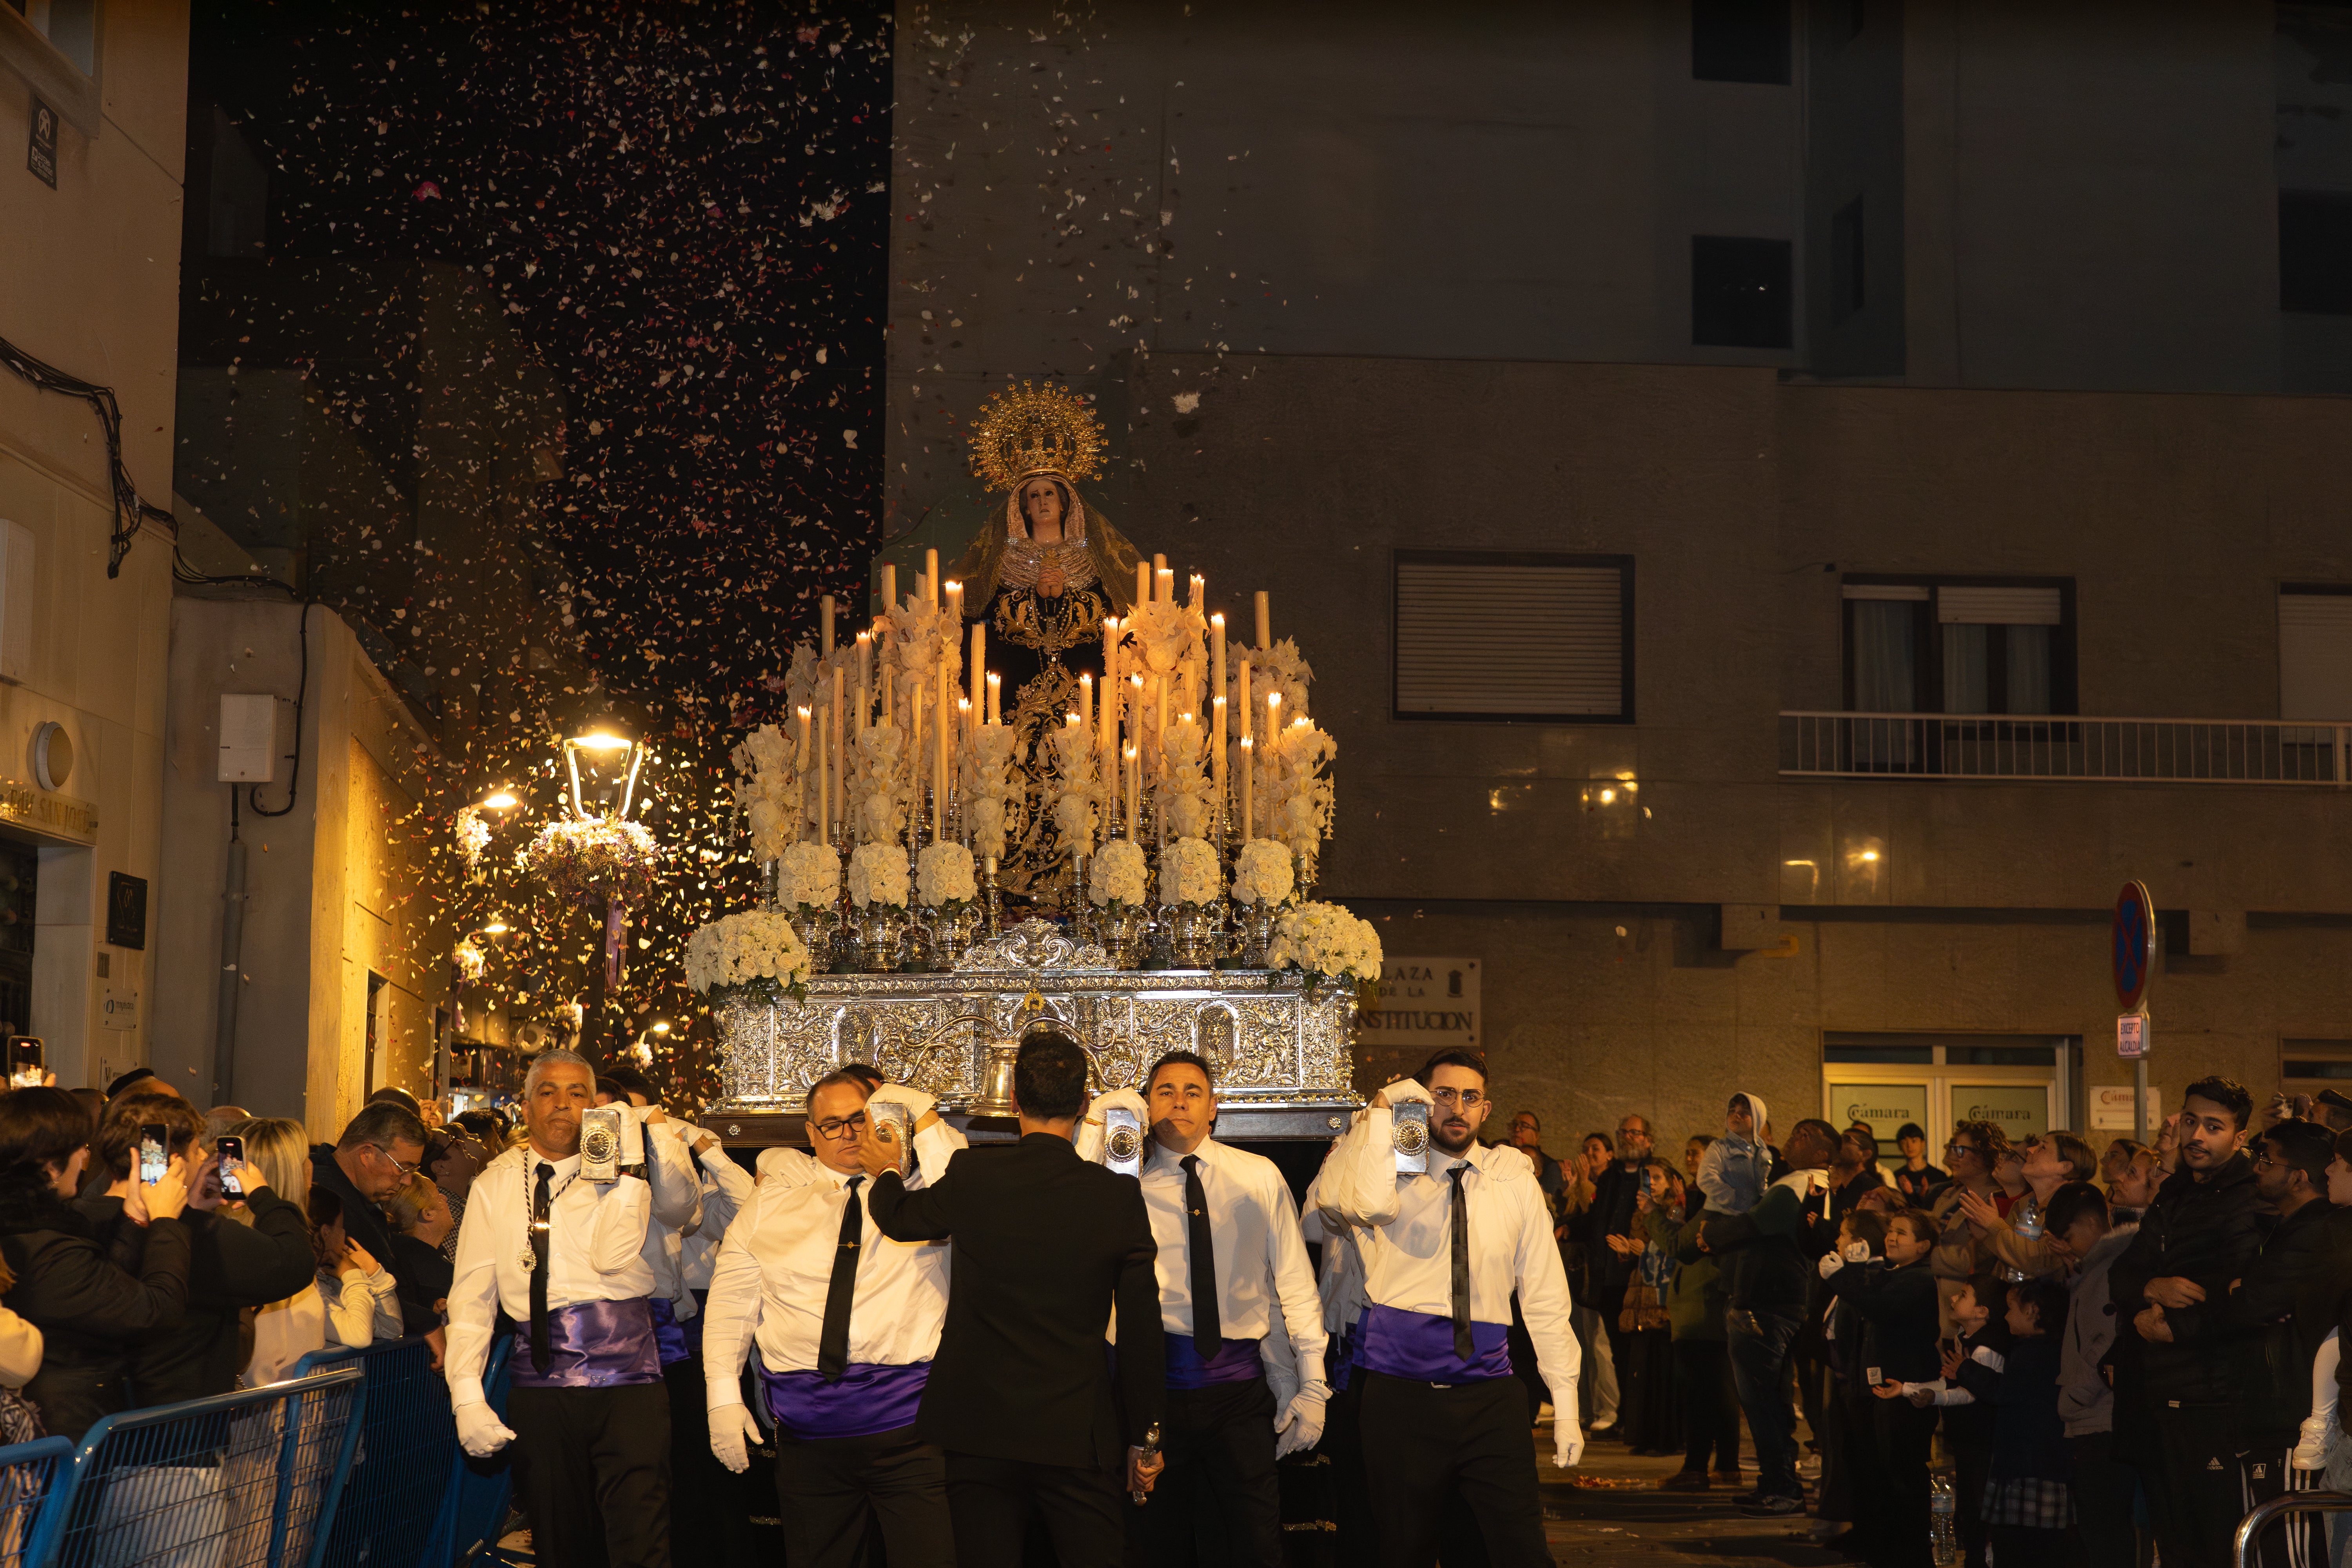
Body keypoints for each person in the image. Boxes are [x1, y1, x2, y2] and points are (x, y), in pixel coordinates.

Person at [862, 1031, 1165, 1566]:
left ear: (1016, 1102)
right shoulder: (1114, 1195)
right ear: (1083, 1104)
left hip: (980, 1428)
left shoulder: (975, 1174)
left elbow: (901, 1220)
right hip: (1075, 1431)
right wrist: (1146, 1435)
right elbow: (1142, 1329)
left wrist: (887, 1169)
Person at [1318, 1048, 1582, 1566]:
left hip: (1491, 1399)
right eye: (1443, 1094)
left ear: (1486, 1109)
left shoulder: (1513, 1178)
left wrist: (1567, 1404)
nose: (1457, 1108)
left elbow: (1545, 1295)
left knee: (1520, 1550)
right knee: (1401, 1551)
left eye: (1470, 1097)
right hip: (1400, 1400)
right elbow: (1357, 1205)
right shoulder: (1391, 1168)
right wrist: (1382, 1114)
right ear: (1421, 1100)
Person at [701, 1069, 965, 1567]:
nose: (848, 1134)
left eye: (859, 1120)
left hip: (911, 1431)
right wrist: (722, 1396)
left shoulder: (924, 1194)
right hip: (808, 1439)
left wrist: (920, 1109)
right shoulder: (771, 1200)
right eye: (831, 1124)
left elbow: (963, 1185)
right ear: (810, 1132)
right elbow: (731, 1303)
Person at [1085, 1050, 1326, 1567]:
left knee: (1256, 1544)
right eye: (1165, 1092)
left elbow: (1295, 1282)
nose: (1179, 1102)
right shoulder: (1119, 1185)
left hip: (1239, 1394)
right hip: (1150, 1392)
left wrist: (1313, 1383)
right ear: (1146, 1105)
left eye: (1192, 1092)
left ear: (1214, 1107)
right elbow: (1069, 1231)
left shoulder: (1259, 1176)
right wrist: (1097, 1125)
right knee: (1152, 1545)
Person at [444, 1049, 672, 1568]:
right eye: (548, 1093)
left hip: (631, 1379)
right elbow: (472, 1298)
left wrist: (630, 1165)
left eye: (577, 1093)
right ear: (526, 1108)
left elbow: (672, 1214)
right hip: (542, 1384)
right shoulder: (495, 1183)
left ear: (595, 1105)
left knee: (642, 1537)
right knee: (559, 1541)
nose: (562, 1104)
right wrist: (466, 1395)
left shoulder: (627, 1170)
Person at [2156, 1115, 2334, 1568]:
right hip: (2261, 1406)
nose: (2257, 1168)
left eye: (2267, 1160)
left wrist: (2236, 1295)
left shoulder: (2317, 1230)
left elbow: (2252, 1303)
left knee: (2289, 1550)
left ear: (2299, 1176)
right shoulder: (2278, 1227)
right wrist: (2238, 1291)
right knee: (2261, 1547)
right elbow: (2244, 1291)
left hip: (2290, 1412)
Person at [2107, 1076, 2265, 1568]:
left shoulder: (2249, 1195)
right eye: (2191, 1121)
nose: (2196, 1135)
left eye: (2213, 1127)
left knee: (2215, 1541)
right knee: (2172, 1540)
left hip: (2213, 1394)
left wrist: (2177, 1325)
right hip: (2157, 1393)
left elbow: (2243, 1292)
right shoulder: (2174, 1191)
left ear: (2239, 1137)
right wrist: (2151, 1288)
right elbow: (2124, 1272)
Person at [84, 1093, 308, 1406]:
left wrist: (190, 1208)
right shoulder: (200, 1235)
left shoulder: (78, 1218)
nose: (204, 1157)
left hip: (98, 1416)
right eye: (196, 1149)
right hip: (181, 1426)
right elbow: (294, 1262)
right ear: (171, 1160)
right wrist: (262, 1194)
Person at [0, 1086, 192, 1440]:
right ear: (51, 1167)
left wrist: (133, 1220)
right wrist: (166, 1221)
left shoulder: (36, 1229)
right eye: (79, 1148)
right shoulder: (47, 1250)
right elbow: (156, 1311)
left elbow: (101, 1288)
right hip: (63, 1434)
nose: (85, 1159)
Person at [1686, 1116, 1839, 1517]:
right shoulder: (1810, 1185)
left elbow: (1753, 1224)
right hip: (1783, 1302)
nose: (1794, 1139)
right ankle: (1775, 1482)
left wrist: (1710, 1236)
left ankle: (1783, 1487)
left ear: (1823, 1153)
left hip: (1766, 1304)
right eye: (1796, 1131)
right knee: (1772, 1398)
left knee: (1762, 1399)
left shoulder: (1797, 1186)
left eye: (1805, 1136)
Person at [1833, 1207, 1942, 1566]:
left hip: (1905, 1392)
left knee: (1903, 1475)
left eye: (1902, 1233)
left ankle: (1910, 1554)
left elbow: (1877, 1307)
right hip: (1880, 1390)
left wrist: (1843, 1276)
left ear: (1923, 1246)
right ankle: (1883, 1548)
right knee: (1879, 1473)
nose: (1892, 1237)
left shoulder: (1920, 1279)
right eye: (1891, 1230)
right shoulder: (1895, 1274)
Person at [2045, 1180, 2140, 1568]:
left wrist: (2074, 1396)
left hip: (2103, 1418)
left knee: (2105, 1531)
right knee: (2102, 1530)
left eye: (2068, 1237)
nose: (2067, 1247)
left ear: (2088, 1223)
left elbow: (2108, 1340)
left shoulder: (2112, 1266)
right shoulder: (2097, 1267)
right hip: (2098, 1418)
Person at [1644, 1156, 1740, 1491]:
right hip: (1708, 1308)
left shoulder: (1717, 1208)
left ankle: (1695, 1469)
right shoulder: (1727, 1206)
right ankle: (1727, 1466)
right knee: (1720, 1391)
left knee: (1701, 1395)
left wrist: (1651, 1214)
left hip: (1702, 1309)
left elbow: (1679, 1246)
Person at [311, 1098, 434, 1333]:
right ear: (367, 1154)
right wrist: (426, 1324)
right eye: (403, 1168)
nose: (408, 1181)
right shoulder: (325, 1199)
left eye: (413, 1171)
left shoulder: (359, 1196)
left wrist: (428, 1307)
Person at [1976, 1275, 2073, 1567]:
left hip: (2028, 1466)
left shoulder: (2033, 1353)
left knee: (2021, 1548)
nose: (2006, 1316)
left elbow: (2006, 1392)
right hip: (2045, 1463)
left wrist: (1967, 1371)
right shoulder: (2054, 1348)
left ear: (2032, 1310)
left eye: (2011, 1308)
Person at [1956, 1131, 2096, 1283]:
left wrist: (1994, 1226)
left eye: (2042, 1148)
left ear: (2065, 1167)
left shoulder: (2074, 1208)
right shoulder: (2026, 1204)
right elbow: (2010, 1259)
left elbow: (2043, 1262)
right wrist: (1985, 1234)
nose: (2031, 1150)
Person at [309, 1187, 403, 1349]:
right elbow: (360, 1337)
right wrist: (353, 1276)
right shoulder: (309, 1288)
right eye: (341, 1227)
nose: (344, 1234)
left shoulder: (335, 1277)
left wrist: (375, 1275)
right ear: (326, 1232)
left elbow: (391, 1330)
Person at [1891, 1123, 1944, 1206]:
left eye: (1914, 1141)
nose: (1909, 1146)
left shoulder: (1939, 1176)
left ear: (1923, 1143)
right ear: (1900, 1147)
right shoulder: (1897, 1176)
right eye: (1904, 1143)